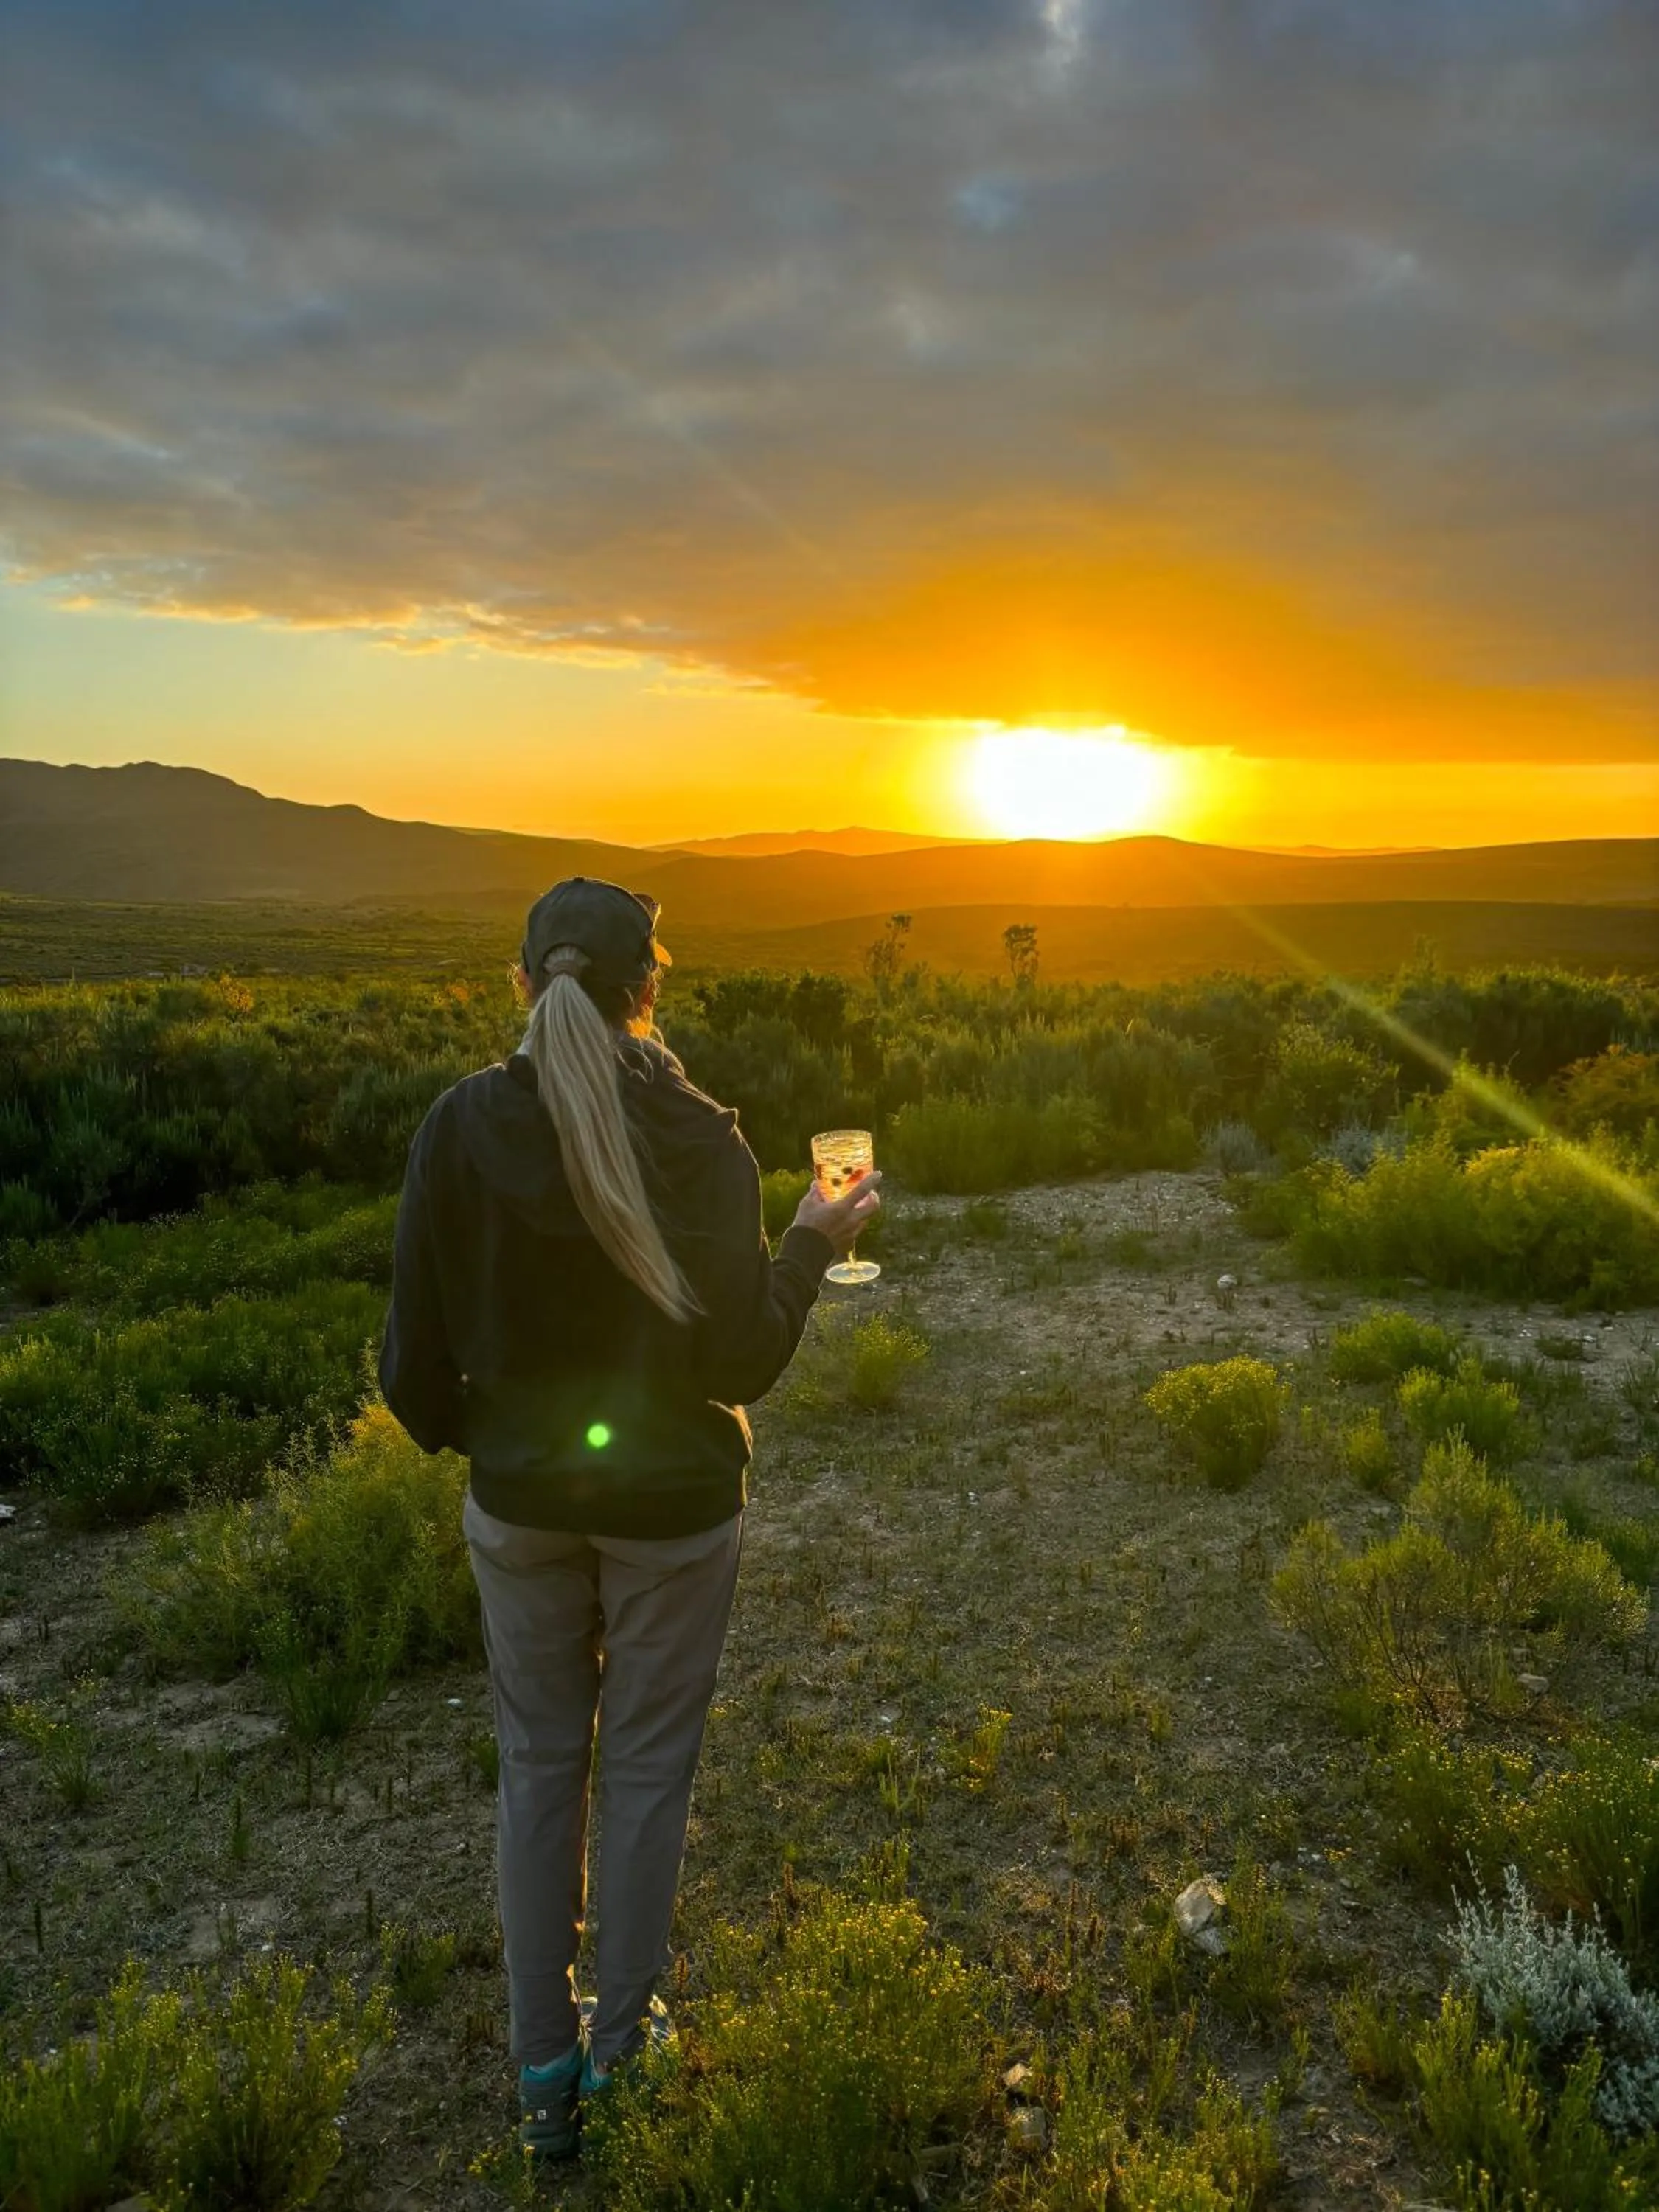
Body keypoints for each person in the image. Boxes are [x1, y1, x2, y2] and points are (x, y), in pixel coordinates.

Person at [379, 876, 880, 2160]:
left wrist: (506, 1446)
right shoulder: (702, 1137)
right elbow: (739, 1359)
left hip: (520, 1510)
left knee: (538, 1769)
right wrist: (809, 1243)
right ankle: (623, 2059)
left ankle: (542, 2074)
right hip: (673, 1514)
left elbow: (409, 1375)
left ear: (520, 984)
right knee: (647, 1776)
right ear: (647, 990)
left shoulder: (456, 1127)